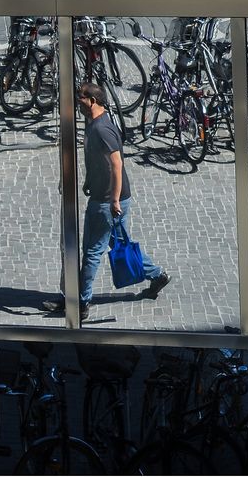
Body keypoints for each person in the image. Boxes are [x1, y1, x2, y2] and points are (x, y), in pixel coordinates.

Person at [44, 83, 170, 320]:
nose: (77, 101)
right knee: (120, 243)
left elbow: (117, 164)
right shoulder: (92, 124)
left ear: (92, 100)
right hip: (103, 197)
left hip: (107, 202)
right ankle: (158, 275)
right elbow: (98, 161)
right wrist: (90, 181)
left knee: (92, 251)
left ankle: (81, 302)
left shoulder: (103, 129)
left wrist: (113, 200)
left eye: (80, 97)